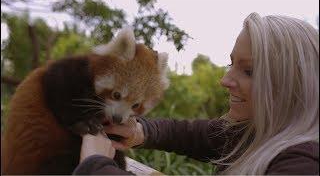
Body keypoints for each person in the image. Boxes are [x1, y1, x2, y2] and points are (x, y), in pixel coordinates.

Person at [73, 12, 319, 175]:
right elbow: (191, 134)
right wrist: (139, 132)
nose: (225, 80)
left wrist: (95, 167)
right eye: (230, 64)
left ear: (292, 84)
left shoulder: (303, 163)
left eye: (249, 71)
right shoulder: (251, 132)